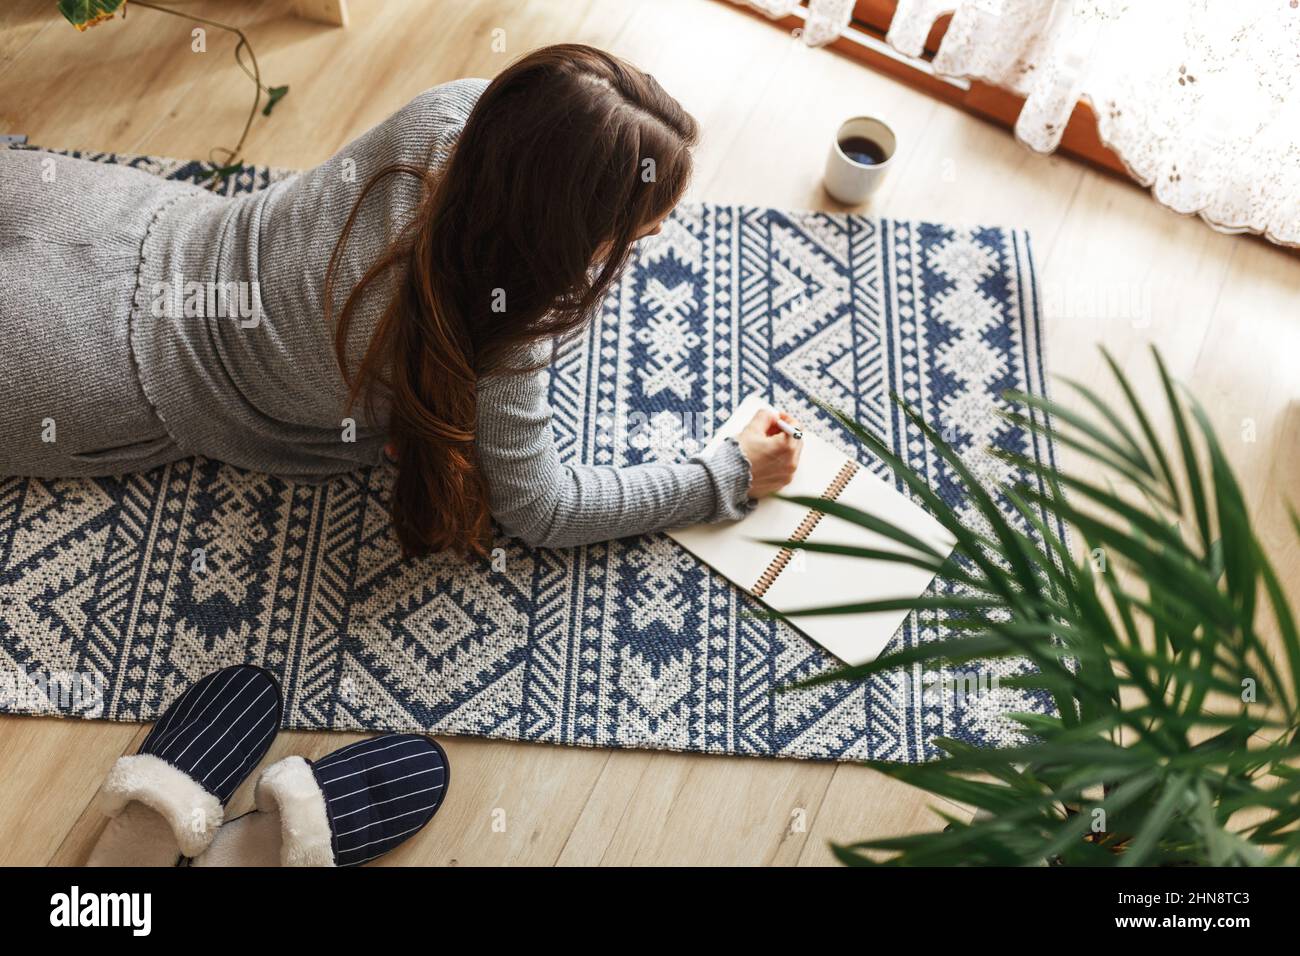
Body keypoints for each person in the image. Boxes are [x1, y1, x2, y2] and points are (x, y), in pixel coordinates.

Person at [0, 43, 801, 557]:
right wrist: (724, 472)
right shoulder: (504, 334)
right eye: (628, 237)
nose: (630, 253)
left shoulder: (451, 109)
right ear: (563, 239)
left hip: (103, 215)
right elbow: (544, 510)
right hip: (87, 360)